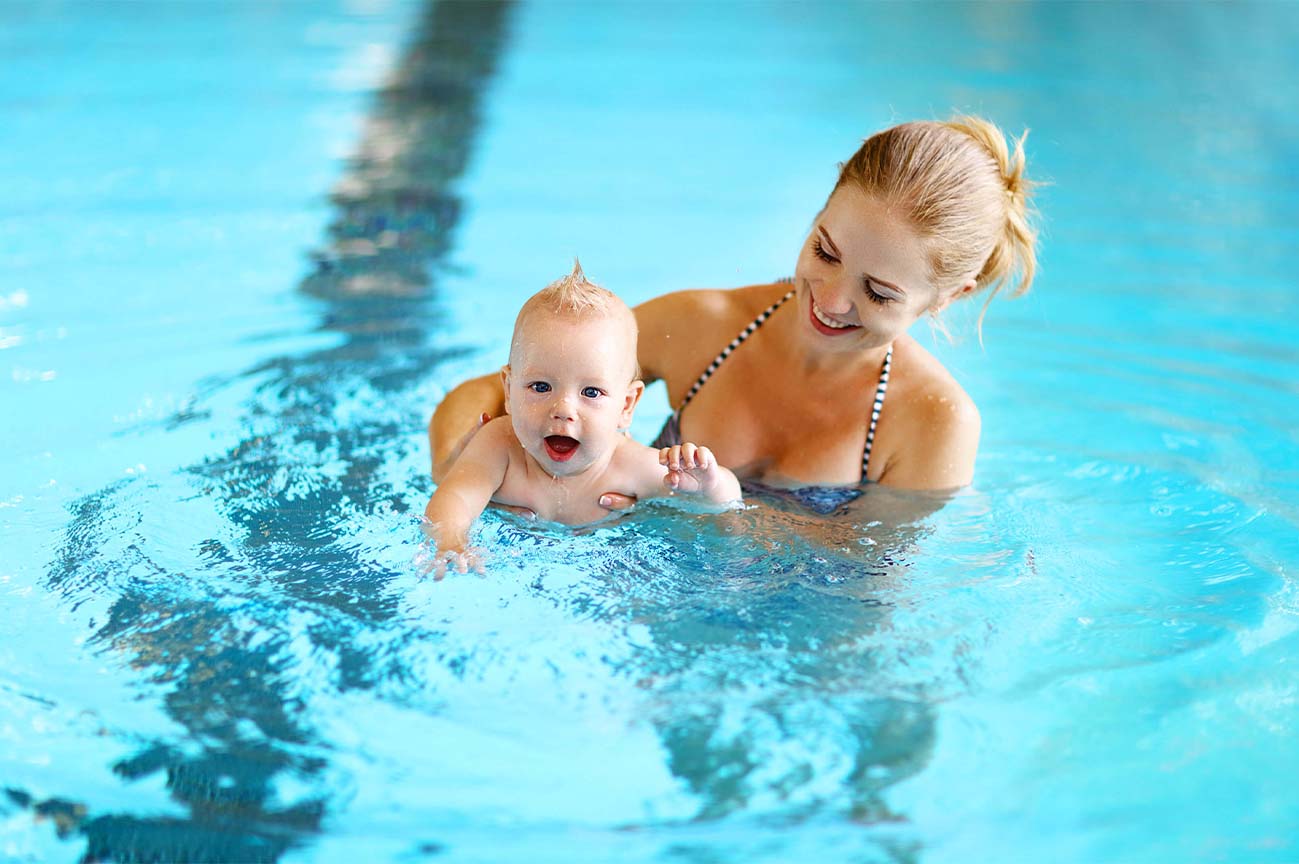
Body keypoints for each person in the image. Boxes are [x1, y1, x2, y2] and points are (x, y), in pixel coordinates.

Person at [429, 116, 1038, 511]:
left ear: (948, 296)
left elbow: (865, 588)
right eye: (824, 251)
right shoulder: (706, 326)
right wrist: (463, 473)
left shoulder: (934, 421)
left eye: (878, 293)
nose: (829, 300)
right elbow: (496, 391)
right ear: (824, 203)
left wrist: (698, 512)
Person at [422, 262, 742, 575]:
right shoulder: (499, 445)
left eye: (590, 392)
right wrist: (451, 540)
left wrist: (708, 487)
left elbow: (727, 503)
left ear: (627, 405)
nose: (563, 409)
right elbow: (455, 499)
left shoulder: (630, 466)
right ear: (508, 390)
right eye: (541, 386)